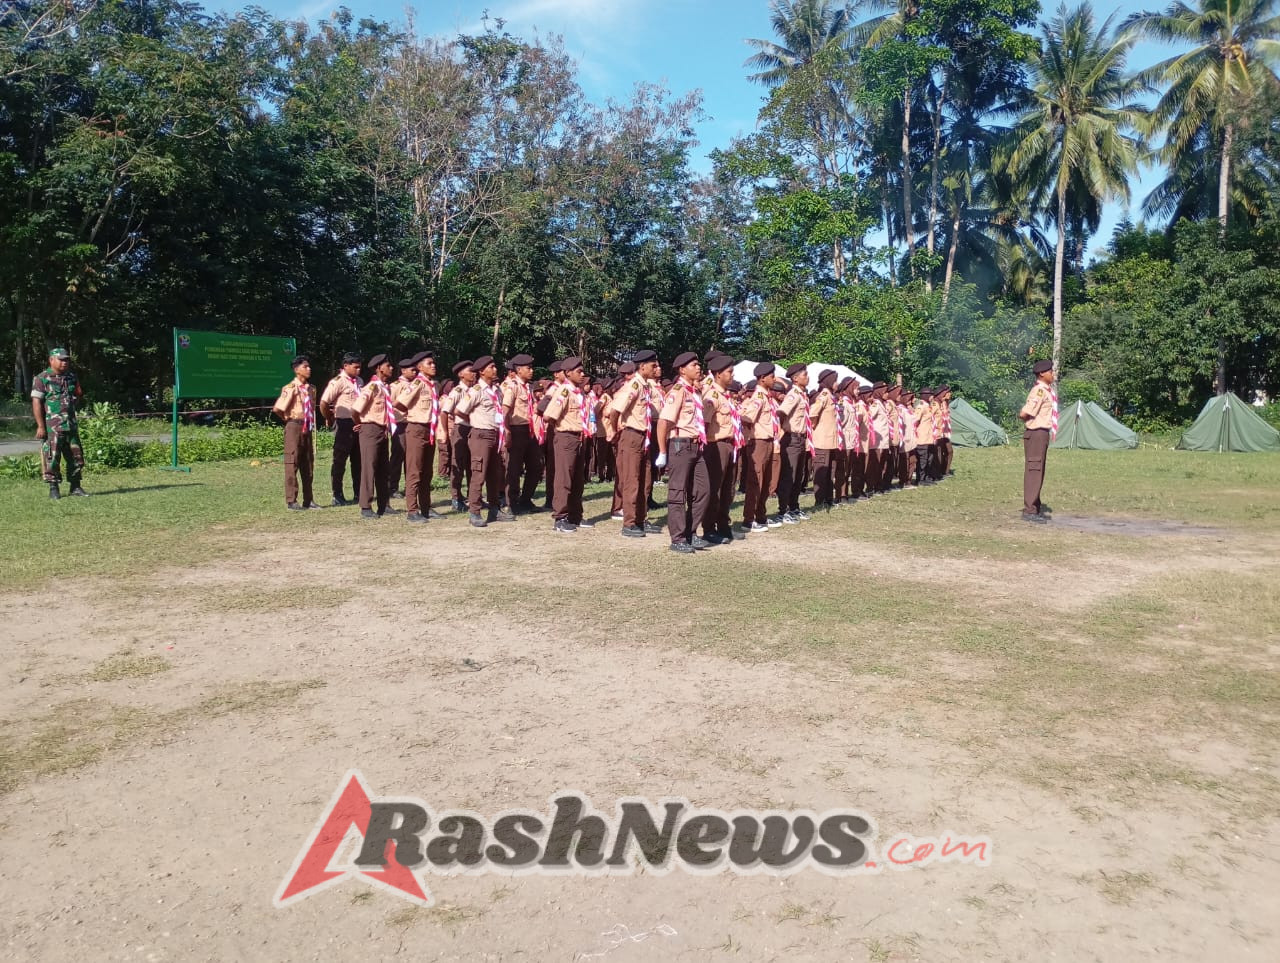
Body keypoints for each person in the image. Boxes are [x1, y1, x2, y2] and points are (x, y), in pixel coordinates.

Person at [656, 352, 712, 554]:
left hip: (698, 445)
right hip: (680, 444)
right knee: (678, 493)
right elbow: (663, 422)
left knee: (703, 490)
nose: (698, 368)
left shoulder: (694, 391)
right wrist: (663, 451)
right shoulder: (678, 391)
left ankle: (691, 531)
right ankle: (678, 537)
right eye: (694, 365)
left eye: (698, 365)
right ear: (682, 369)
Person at [606, 352, 662, 537]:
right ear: (642, 366)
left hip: (644, 436)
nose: (655, 369)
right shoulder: (634, 385)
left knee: (645, 480)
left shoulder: (646, 386)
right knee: (632, 480)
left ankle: (640, 518)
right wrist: (614, 431)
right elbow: (615, 411)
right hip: (631, 435)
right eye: (653, 366)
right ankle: (629, 523)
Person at [455, 356, 515, 528]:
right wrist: (475, 420)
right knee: (478, 473)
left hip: (495, 434)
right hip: (481, 434)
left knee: (494, 474)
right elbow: (460, 411)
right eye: (492, 367)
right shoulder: (476, 391)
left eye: (495, 366)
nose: (495, 370)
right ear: (482, 371)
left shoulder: (496, 390)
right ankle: (474, 511)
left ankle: (494, 509)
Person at [542, 356, 593, 533]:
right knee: (564, 478)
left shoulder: (578, 393)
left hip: (579, 438)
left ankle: (575, 515)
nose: (582, 374)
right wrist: (562, 427)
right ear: (568, 373)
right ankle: (560, 517)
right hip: (566, 436)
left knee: (577, 479)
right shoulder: (564, 392)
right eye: (579, 371)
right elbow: (549, 415)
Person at [393, 350, 442, 523]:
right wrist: (413, 414)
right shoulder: (417, 384)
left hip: (430, 429)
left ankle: (426, 507)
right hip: (416, 428)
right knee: (415, 471)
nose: (433, 365)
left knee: (427, 471)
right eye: (429, 363)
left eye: (434, 363)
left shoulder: (434, 385)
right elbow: (398, 403)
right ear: (420, 367)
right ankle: (412, 510)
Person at [31, 347, 87, 500]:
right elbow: (36, 402)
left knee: (76, 457)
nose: (64, 362)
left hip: (71, 425)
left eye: (66, 359)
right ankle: (53, 488)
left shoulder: (71, 377)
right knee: (53, 457)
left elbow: (78, 394)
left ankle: (75, 486)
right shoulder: (42, 378)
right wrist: (41, 426)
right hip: (52, 427)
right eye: (61, 359)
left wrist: (73, 405)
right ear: (51, 360)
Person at [701, 354, 742, 544]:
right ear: (718, 374)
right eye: (729, 372)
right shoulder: (712, 395)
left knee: (728, 489)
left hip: (730, 444)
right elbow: (706, 424)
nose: (732, 375)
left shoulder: (726, 396)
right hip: (715, 445)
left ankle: (723, 525)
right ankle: (709, 528)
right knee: (714, 488)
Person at [271, 354, 320, 511]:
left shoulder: (311, 389)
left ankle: (309, 499)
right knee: (292, 462)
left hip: (307, 427)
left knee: (308, 463)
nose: (309, 369)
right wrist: (288, 419)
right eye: (305, 367)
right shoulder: (290, 388)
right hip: (294, 426)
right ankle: (292, 500)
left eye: (309, 366)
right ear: (296, 370)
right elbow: (278, 408)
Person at [350, 353, 396, 518]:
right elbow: (355, 409)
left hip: (382, 430)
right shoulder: (372, 387)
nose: (391, 368)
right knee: (369, 467)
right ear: (379, 368)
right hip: (370, 429)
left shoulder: (385, 387)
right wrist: (359, 423)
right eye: (388, 366)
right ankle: (366, 506)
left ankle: (384, 504)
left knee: (384, 469)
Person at [738, 364, 779, 533]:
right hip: (758, 442)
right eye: (771, 376)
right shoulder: (758, 398)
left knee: (766, 480)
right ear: (763, 378)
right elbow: (747, 418)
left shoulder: (767, 397)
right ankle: (749, 519)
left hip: (768, 441)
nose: (774, 379)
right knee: (756, 481)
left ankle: (761, 516)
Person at [501, 354, 544, 514]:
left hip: (529, 430)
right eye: (528, 368)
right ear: (518, 370)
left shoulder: (528, 387)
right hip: (516, 429)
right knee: (514, 467)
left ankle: (525, 499)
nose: (531, 371)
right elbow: (505, 410)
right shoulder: (512, 387)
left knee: (536, 466)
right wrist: (506, 431)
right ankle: (511, 503)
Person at [319, 352, 362, 505]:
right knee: (340, 461)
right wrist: (329, 418)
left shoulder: (359, 381)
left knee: (358, 461)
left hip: (358, 424)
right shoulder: (338, 381)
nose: (358, 370)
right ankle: (337, 495)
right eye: (355, 367)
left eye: (359, 367)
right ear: (346, 366)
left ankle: (359, 493)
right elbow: (324, 402)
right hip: (343, 424)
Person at [1019, 360, 1056, 523]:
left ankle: (1035, 506)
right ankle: (1029, 510)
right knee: (1034, 470)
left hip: (1042, 434)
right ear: (1042, 373)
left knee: (1039, 470)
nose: (1053, 374)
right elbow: (1025, 413)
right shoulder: (1039, 391)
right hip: (1036, 433)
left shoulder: (1046, 391)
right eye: (1051, 371)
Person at [776, 364, 813, 523]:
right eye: (805, 375)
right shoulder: (793, 395)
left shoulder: (803, 395)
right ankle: (783, 511)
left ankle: (794, 507)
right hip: (791, 438)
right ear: (795, 378)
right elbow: (781, 412)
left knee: (799, 475)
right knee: (788, 476)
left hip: (801, 438)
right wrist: (786, 429)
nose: (808, 377)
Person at [440, 360, 476, 511]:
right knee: (458, 464)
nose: (474, 373)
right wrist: (445, 431)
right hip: (461, 429)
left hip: (474, 429)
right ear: (461, 374)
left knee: (473, 465)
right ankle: (456, 498)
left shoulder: (475, 390)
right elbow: (444, 411)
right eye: (470, 371)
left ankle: (473, 497)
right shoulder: (457, 391)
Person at [810, 369, 840, 511]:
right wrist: (815, 426)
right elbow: (813, 412)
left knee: (830, 472)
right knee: (821, 472)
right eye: (835, 381)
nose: (837, 384)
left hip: (831, 441)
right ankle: (820, 500)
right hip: (822, 440)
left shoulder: (832, 396)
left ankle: (829, 498)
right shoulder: (824, 395)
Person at [387, 358, 418, 498]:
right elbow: (390, 404)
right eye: (412, 370)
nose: (414, 372)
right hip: (400, 424)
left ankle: (410, 486)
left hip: (412, 423)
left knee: (411, 457)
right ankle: (393, 487)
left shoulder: (415, 384)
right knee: (398, 455)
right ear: (403, 370)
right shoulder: (395, 386)